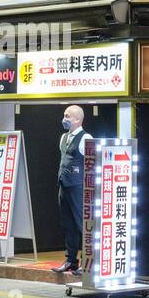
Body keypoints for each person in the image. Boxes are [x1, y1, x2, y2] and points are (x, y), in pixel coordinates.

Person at [52, 105, 92, 275]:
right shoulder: (64, 137)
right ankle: (71, 261)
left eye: (67, 116)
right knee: (68, 224)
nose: (64, 119)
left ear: (77, 119)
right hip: (64, 185)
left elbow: (92, 164)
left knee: (81, 223)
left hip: (78, 187)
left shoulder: (86, 138)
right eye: (64, 115)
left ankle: (88, 261)